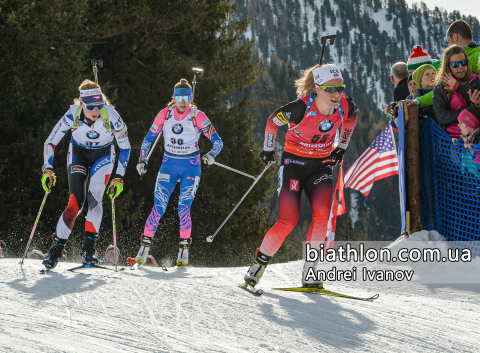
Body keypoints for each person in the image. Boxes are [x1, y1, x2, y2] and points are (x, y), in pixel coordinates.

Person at [243, 64, 358, 289]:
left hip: (322, 165)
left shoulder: (344, 106)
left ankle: (311, 271)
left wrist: (341, 146)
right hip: (294, 164)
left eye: (340, 89)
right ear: (317, 89)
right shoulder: (299, 109)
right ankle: (257, 267)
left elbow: (352, 120)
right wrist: (268, 150)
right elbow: (271, 122)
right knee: (288, 220)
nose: (337, 94)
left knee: (322, 215)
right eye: (331, 89)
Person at [41, 80, 131, 270]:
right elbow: (50, 142)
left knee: (95, 198)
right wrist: (47, 168)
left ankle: (89, 251)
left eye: (99, 105)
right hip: (78, 154)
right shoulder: (72, 114)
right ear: (81, 104)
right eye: (91, 107)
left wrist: (119, 176)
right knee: (75, 203)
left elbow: (125, 147)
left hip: (103, 155)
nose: (96, 110)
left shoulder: (111, 114)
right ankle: (55, 251)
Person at [133, 78, 223, 268]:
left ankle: (183, 251)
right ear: (173, 98)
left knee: (183, 208)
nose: (183, 102)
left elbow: (218, 141)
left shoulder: (197, 116)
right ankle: (143, 248)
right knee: (159, 206)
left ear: (191, 98)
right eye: (180, 97)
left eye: (187, 97)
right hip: (168, 165)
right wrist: (142, 159)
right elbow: (148, 139)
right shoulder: (164, 115)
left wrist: (212, 155)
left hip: (191, 166)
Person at [433, 45, 480, 138]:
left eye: (464, 62)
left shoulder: (476, 80)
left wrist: (458, 87)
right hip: (452, 138)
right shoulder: (441, 88)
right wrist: (469, 110)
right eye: (455, 64)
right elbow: (441, 116)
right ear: (448, 66)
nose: (461, 67)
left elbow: (478, 101)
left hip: (475, 137)